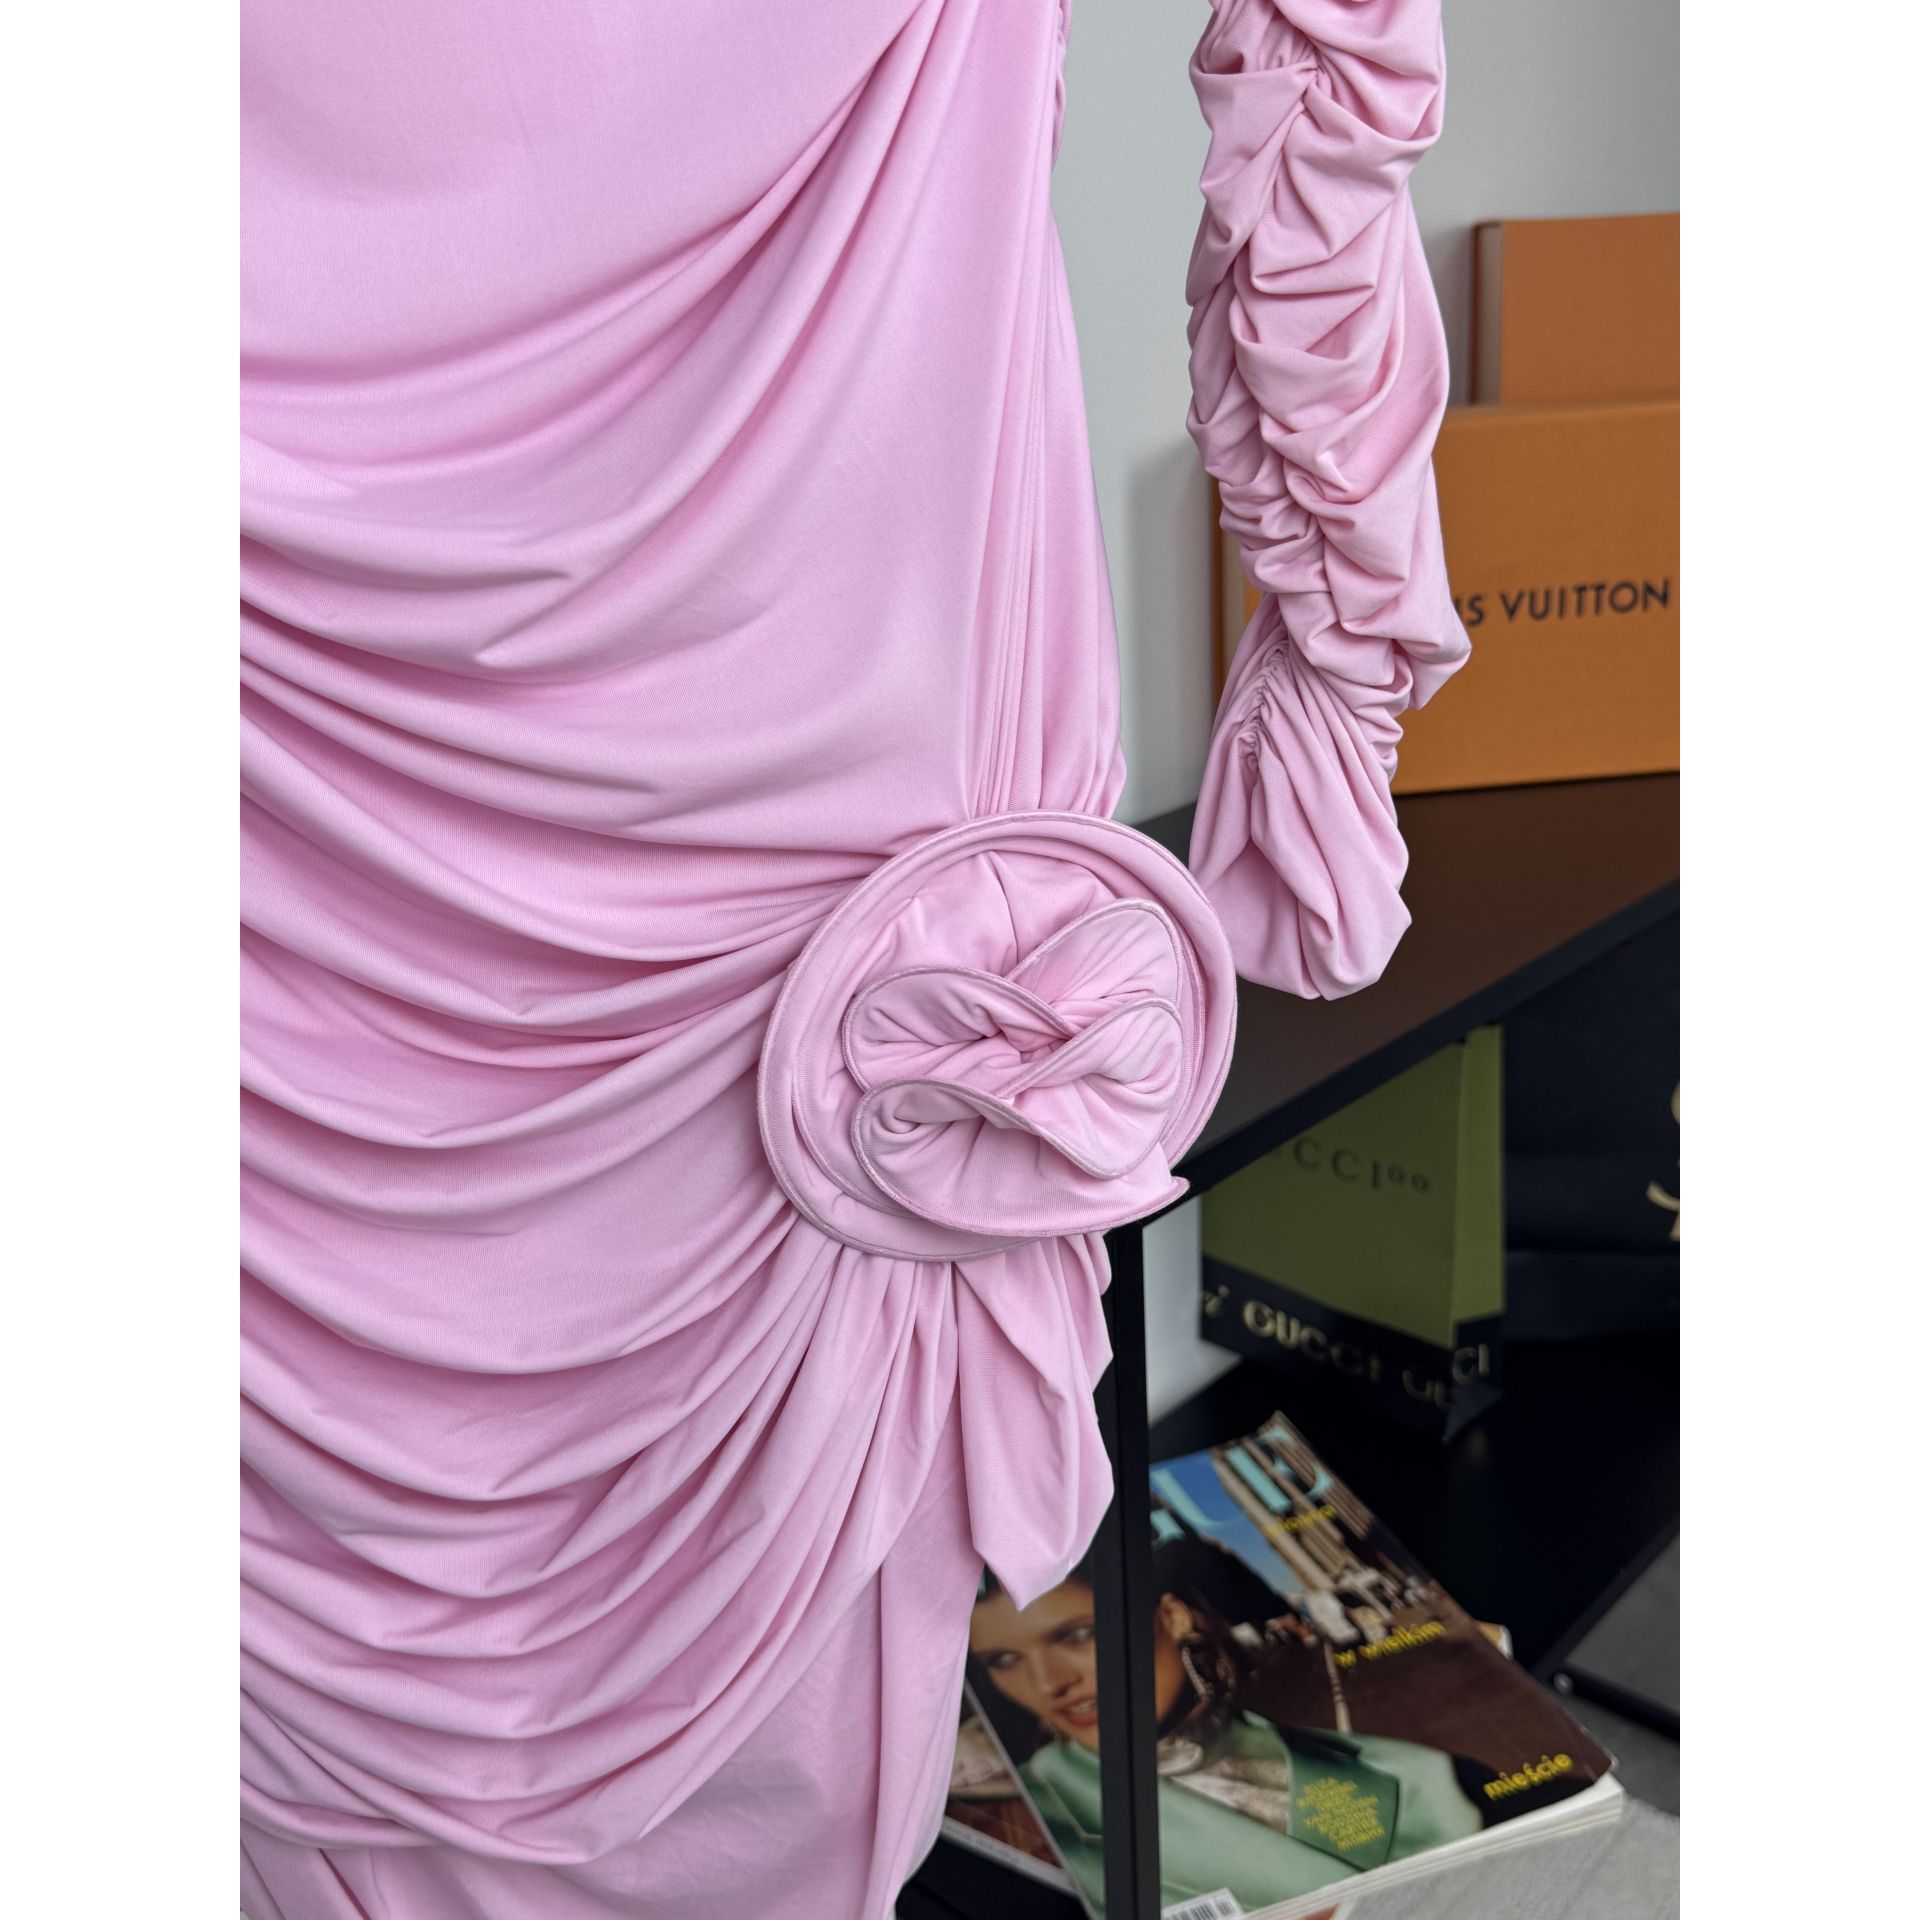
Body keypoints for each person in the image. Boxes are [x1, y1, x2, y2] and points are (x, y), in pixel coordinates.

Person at [968, 1554, 1484, 1916]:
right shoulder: (1023, 1822)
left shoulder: (1410, 1771)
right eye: (1004, 1661)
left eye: (1078, 1635)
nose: (1049, 1683)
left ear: (1173, 1618)